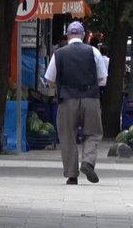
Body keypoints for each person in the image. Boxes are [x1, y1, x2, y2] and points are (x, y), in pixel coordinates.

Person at [44, 21, 108, 185]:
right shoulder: (93, 51)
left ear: (67, 35)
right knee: (93, 132)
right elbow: (102, 78)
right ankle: (87, 162)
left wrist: (60, 84)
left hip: (67, 98)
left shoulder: (59, 54)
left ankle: (72, 175)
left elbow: (49, 79)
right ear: (83, 35)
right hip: (90, 98)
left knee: (67, 136)